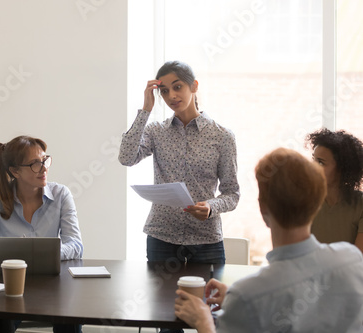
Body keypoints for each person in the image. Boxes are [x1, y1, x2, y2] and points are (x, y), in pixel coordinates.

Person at [174, 147, 363, 333]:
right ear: (316, 204)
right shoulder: (352, 259)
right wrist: (240, 300)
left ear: (263, 208)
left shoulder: (248, 296)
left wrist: (203, 322)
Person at [118, 60, 240, 264]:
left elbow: (232, 194)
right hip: (161, 237)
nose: (171, 96)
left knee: (206, 296)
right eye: (164, 91)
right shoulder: (156, 131)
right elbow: (126, 158)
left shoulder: (222, 137)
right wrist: (145, 110)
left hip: (205, 239)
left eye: (177, 87)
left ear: (194, 86)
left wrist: (211, 207)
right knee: (160, 297)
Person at [0, 135, 83, 333]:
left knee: (70, 315)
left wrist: (37, 254)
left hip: (53, 283)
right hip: (9, 283)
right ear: (15, 171)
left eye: (45, 160)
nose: (44, 168)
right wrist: (21, 257)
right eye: (34, 164)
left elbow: (75, 245)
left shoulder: (61, 194)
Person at [305, 128, 363, 253]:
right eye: (313, 159)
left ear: (343, 168)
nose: (313, 166)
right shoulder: (305, 201)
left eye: (320, 162)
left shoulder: (360, 205)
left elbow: (358, 259)